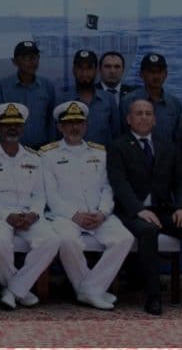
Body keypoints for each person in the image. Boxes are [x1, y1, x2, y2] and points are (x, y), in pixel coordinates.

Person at [40, 101, 131, 310]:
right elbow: (50, 195)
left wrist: (103, 212)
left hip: (98, 214)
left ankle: (89, 289)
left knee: (124, 238)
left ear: (86, 125)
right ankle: (92, 291)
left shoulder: (99, 152)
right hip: (65, 216)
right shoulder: (48, 154)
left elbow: (108, 187)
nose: (75, 127)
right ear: (60, 126)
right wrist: (75, 215)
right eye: (69, 123)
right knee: (66, 240)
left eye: (79, 122)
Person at [0, 103, 60, 310]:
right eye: (7, 125)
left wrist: (34, 213)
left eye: (17, 125)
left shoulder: (35, 157)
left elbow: (40, 193)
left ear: (23, 128)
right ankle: (20, 290)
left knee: (51, 240)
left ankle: (13, 290)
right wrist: (6, 215)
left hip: (27, 214)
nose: (12, 128)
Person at [107, 98, 182, 316]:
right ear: (128, 119)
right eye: (138, 113)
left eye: (148, 113)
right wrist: (139, 209)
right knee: (148, 230)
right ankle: (153, 298)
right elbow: (119, 183)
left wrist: (181, 207)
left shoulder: (168, 146)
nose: (143, 117)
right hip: (131, 212)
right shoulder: (117, 146)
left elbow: (180, 181)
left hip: (162, 209)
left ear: (155, 119)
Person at [0, 41, 55, 149]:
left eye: (35, 57)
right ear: (15, 61)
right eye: (25, 58)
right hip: (11, 149)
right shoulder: (2, 87)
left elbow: (51, 120)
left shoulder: (47, 86)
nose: (32, 62)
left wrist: (50, 147)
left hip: (41, 149)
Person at [57, 50, 119, 147]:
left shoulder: (108, 99)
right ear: (74, 70)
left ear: (96, 71)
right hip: (69, 155)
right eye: (80, 68)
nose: (84, 73)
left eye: (89, 68)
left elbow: (117, 134)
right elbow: (55, 136)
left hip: (103, 155)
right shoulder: (62, 99)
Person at [120, 53, 182, 145]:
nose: (156, 76)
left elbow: (178, 139)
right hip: (135, 153)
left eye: (160, 72)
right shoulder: (128, 101)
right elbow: (122, 135)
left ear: (166, 74)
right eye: (151, 72)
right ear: (141, 74)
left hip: (167, 153)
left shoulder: (174, 104)